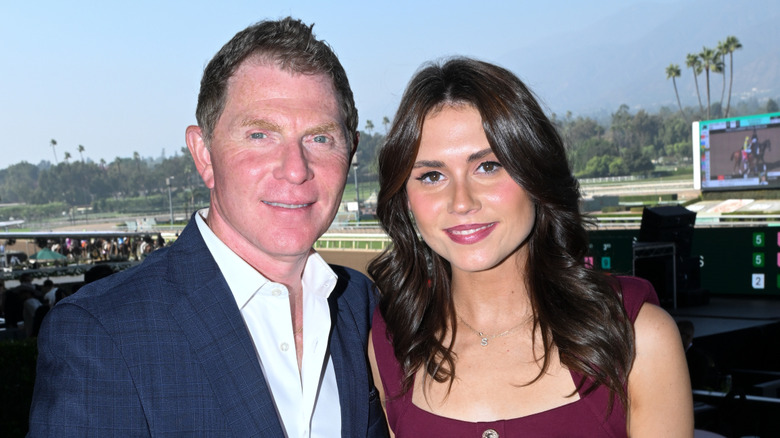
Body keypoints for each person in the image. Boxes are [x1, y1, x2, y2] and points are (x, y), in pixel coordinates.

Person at [29, 17, 388, 437]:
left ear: (351, 151)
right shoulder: (99, 332)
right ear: (203, 155)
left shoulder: (359, 304)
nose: (295, 170)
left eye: (320, 139)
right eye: (259, 135)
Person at [367, 58, 693, 437]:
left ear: (535, 174)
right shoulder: (391, 343)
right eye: (432, 176)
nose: (461, 201)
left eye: (488, 167)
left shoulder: (638, 339)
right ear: (405, 197)